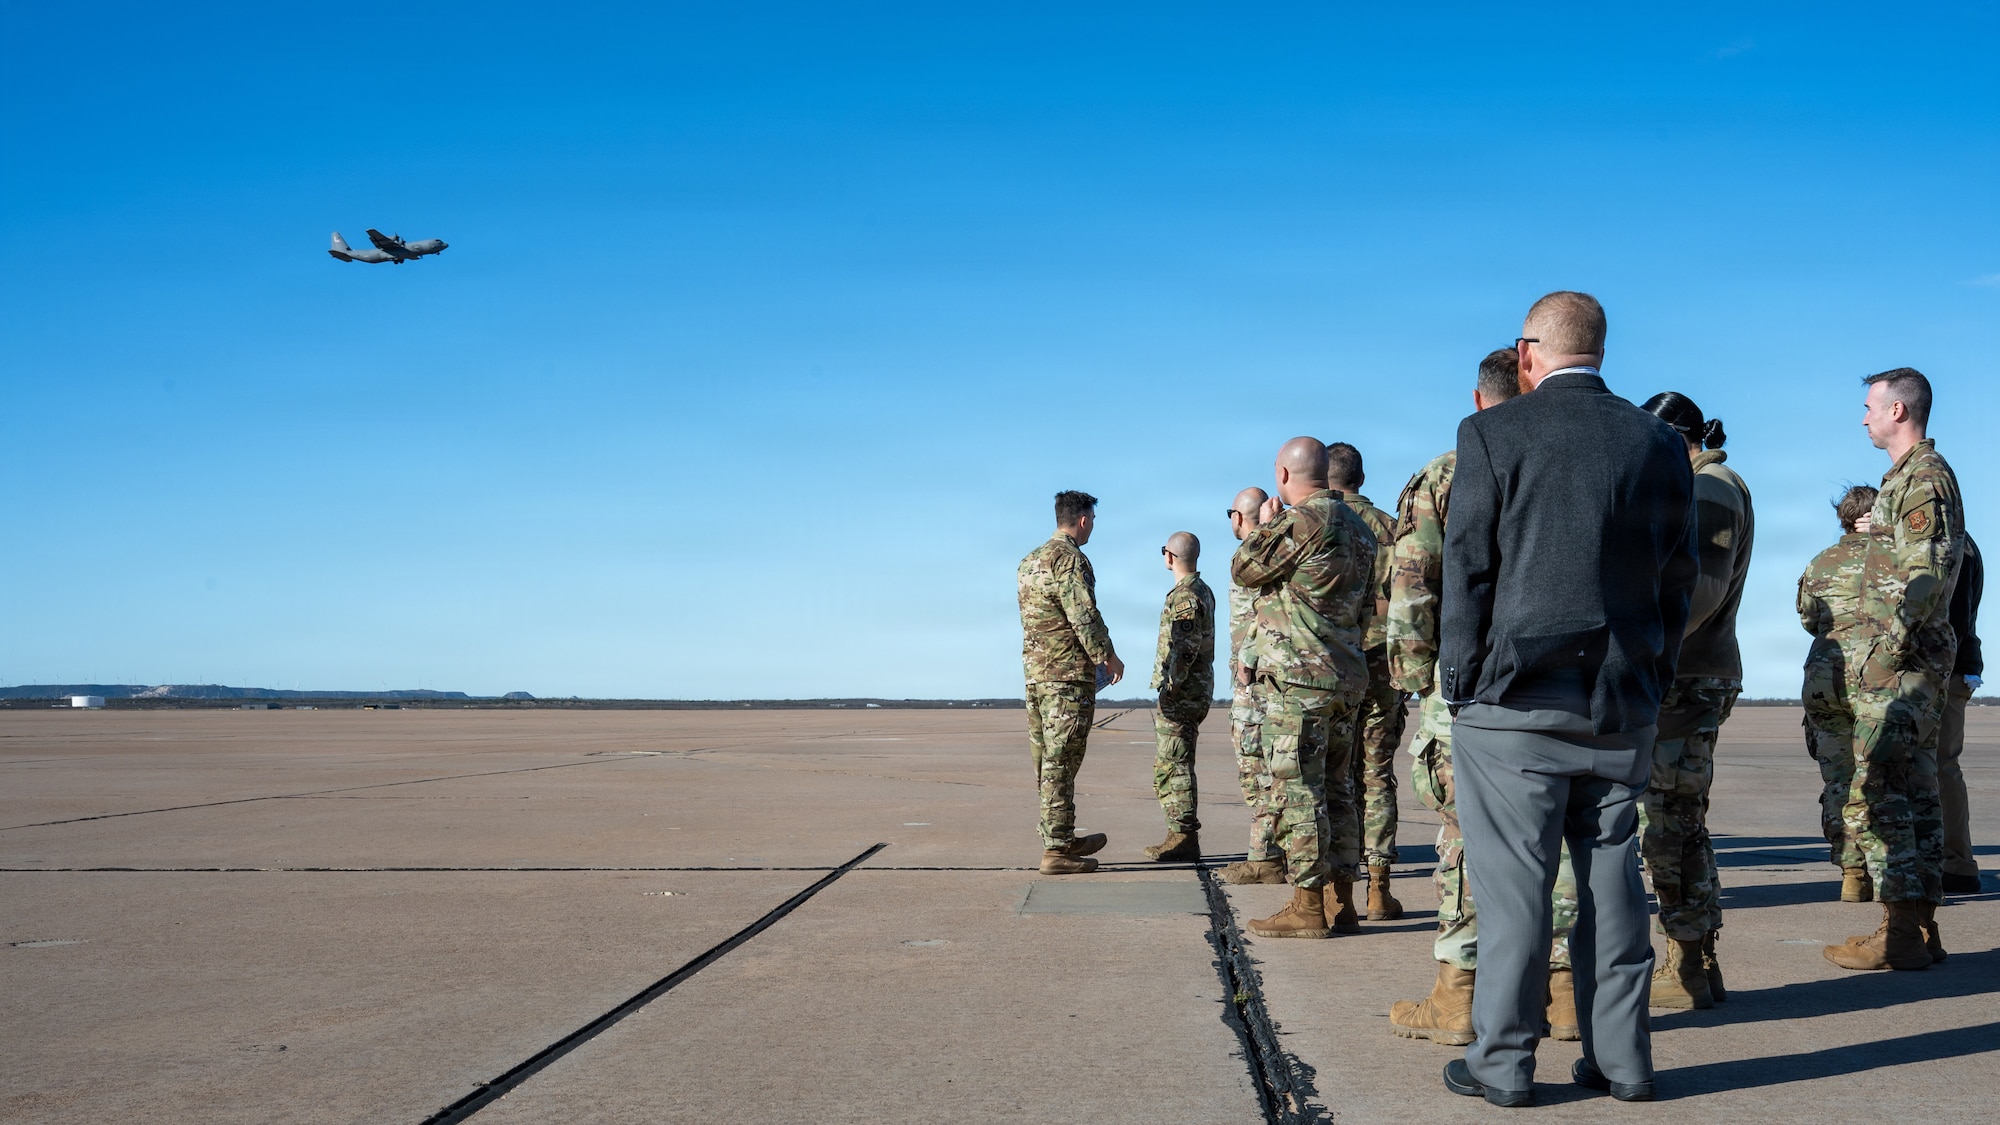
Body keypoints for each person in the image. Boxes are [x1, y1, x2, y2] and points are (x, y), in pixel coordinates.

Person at [1438, 291, 1697, 1106]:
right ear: (1601, 351)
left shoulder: (1490, 433)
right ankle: (1623, 1060)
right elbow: (1679, 578)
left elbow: (1467, 566)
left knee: (1515, 889)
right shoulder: (1659, 441)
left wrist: (1461, 682)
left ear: (1527, 354)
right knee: (1613, 882)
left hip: (1513, 703)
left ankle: (1504, 1063)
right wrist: (1653, 675)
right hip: (1621, 700)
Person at [1386, 346, 1584, 1048]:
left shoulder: (1448, 471)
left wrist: (1418, 678)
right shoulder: (1576, 461)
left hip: (1469, 682)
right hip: (1569, 681)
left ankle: (1458, 993)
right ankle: (1564, 993)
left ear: (1479, 401)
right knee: (1563, 836)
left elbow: (1414, 581)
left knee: (1468, 836)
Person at [1826, 368, 1967, 971]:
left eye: (1870, 407)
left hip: (1903, 666)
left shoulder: (1923, 480)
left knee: (1882, 796)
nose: (1864, 418)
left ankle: (1901, 932)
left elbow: (1924, 582)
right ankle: (1918, 928)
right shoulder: (1905, 480)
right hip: (1907, 663)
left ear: (1898, 411)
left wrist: (1884, 657)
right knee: (1915, 790)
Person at [1635, 391, 1755, 1009]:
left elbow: (1700, 590)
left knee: (1666, 825)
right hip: (1687, 675)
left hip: (1684, 677)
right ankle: (1697, 962)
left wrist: (1634, 648)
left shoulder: (1709, 488)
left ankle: (1686, 965)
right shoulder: (1703, 483)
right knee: (1680, 820)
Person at [1232, 438, 1375, 938]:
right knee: (1340, 789)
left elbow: (1244, 569)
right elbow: (1365, 606)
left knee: (1299, 791)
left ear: (1284, 475)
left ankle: (1308, 904)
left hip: (1300, 681)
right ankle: (1343, 901)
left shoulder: (1300, 522)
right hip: (1346, 677)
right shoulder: (1359, 527)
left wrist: (1264, 526)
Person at [1017, 490, 1125, 876]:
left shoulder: (1029, 561)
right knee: (1061, 763)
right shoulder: (1070, 559)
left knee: (1048, 762)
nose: (1092, 526)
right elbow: (1083, 614)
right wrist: (1107, 656)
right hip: (1067, 678)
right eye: (1092, 519)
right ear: (1082, 520)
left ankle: (1060, 836)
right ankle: (1056, 851)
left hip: (1038, 677)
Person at [1326, 441, 1408, 922]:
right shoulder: (1390, 528)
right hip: (1385, 664)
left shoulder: (1320, 524)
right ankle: (1379, 887)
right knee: (1377, 772)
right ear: (1361, 477)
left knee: (1336, 776)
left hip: (1338, 665)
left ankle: (1341, 892)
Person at [1798, 485, 1880, 902]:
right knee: (1879, 777)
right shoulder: (1893, 559)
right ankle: (1885, 873)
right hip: (1874, 677)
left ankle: (1851, 873)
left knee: (1838, 779)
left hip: (1824, 679)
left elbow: (1809, 619)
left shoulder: (1820, 562)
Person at [1220, 488, 1285, 885]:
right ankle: (1274, 852)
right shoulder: (1276, 550)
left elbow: (1266, 609)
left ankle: (1265, 857)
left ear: (1240, 517)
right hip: (1264, 677)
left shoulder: (1257, 556)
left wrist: (1246, 659)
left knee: (1257, 769)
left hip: (1257, 680)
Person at [1145, 531, 1216, 862]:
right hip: (1194, 689)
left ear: (1170, 557)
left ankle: (1183, 836)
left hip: (1184, 693)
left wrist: (1170, 688)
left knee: (1174, 764)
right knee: (1176, 761)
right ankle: (1180, 834)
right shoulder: (1202, 590)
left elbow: (1185, 649)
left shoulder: (1185, 596)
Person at [1939, 534, 1983, 894]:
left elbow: (1953, 614)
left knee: (1939, 767)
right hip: (1950, 667)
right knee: (1942, 767)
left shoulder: (1950, 543)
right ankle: (1954, 862)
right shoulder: (1959, 542)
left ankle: (1954, 862)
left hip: (1940, 671)